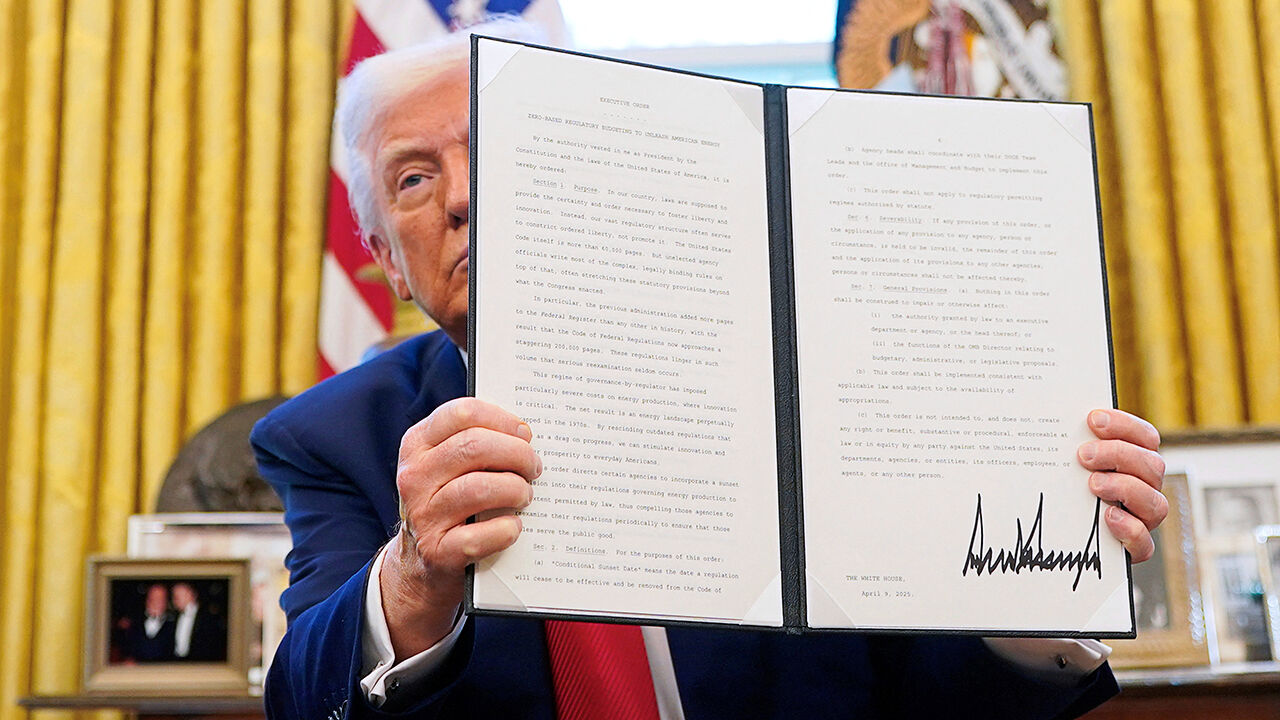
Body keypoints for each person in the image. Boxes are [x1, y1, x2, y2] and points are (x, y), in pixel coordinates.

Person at [253, 18, 1169, 720]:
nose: (463, 196)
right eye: (414, 178)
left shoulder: (806, 379)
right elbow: (304, 700)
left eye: (499, 147)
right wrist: (413, 575)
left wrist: (1040, 577)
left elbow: (935, 691)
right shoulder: (331, 435)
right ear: (386, 258)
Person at [172, 582, 228, 662]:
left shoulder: (208, 617)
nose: (175, 599)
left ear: (192, 595)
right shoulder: (173, 617)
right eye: (174, 596)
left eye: (179, 595)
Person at [124, 583, 176, 663]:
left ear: (166, 602)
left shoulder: (174, 626)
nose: (156, 602)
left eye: (160, 599)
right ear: (147, 600)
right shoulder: (134, 622)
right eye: (153, 598)